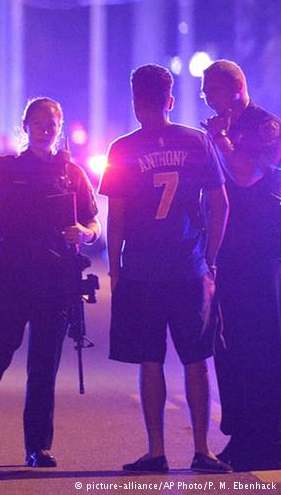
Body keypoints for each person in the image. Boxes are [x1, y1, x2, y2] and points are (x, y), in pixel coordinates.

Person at [0, 97, 101, 468]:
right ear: (26, 126)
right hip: (13, 278)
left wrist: (82, 233)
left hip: (55, 282)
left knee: (42, 368)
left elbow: (93, 224)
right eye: (38, 121)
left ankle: (38, 447)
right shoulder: (12, 167)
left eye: (52, 121)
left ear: (60, 125)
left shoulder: (73, 173)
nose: (45, 127)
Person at [100, 64, 230, 473]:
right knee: (196, 359)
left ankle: (156, 451)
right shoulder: (197, 142)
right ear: (170, 101)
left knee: (150, 360)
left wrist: (114, 266)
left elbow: (115, 214)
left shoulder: (121, 149)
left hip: (140, 269)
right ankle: (202, 450)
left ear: (136, 103)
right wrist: (209, 258)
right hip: (188, 267)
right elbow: (220, 204)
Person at [200, 60, 281, 471]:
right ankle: (241, 431)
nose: (208, 101)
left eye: (210, 92)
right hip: (228, 250)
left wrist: (223, 143)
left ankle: (268, 437)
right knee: (228, 345)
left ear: (234, 88)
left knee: (261, 344)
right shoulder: (219, 132)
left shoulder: (264, 126)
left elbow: (248, 177)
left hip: (261, 251)